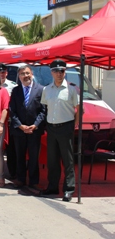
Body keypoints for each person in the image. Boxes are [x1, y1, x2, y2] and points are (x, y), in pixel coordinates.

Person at [40, 60, 79, 202]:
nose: (59, 74)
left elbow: (79, 109)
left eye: (62, 71)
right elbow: (45, 108)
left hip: (65, 127)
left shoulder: (72, 89)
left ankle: (69, 189)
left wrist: (74, 125)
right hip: (51, 127)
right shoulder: (47, 89)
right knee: (52, 160)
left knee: (67, 160)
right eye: (56, 71)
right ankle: (52, 186)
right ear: (51, 72)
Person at [9, 65, 46, 189]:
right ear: (19, 77)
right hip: (20, 131)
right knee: (20, 156)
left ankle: (33, 181)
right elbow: (12, 111)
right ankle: (20, 179)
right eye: (22, 74)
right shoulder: (15, 91)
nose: (26, 76)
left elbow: (43, 111)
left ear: (32, 74)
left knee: (34, 157)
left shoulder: (41, 90)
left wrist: (35, 125)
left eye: (27, 73)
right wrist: (20, 126)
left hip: (34, 130)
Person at [0, 63, 18, 180]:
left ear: (7, 73)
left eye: (3, 72)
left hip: (9, 120)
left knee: (11, 148)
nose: (1, 74)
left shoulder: (13, 86)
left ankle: (12, 172)